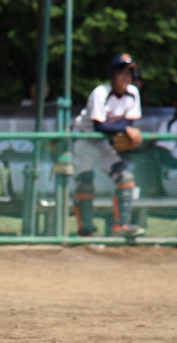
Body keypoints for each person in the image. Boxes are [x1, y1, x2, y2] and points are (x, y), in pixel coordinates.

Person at [72, 53, 145, 237]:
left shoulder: (133, 93)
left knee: (125, 178)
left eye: (130, 73)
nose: (126, 77)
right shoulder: (100, 93)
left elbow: (129, 123)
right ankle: (85, 231)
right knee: (85, 182)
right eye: (122, 72)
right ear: (112, 74)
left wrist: (127, 129)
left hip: (105, 142)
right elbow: (100, 125)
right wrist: (126, 129)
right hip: (85, 138)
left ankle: (121, 227)